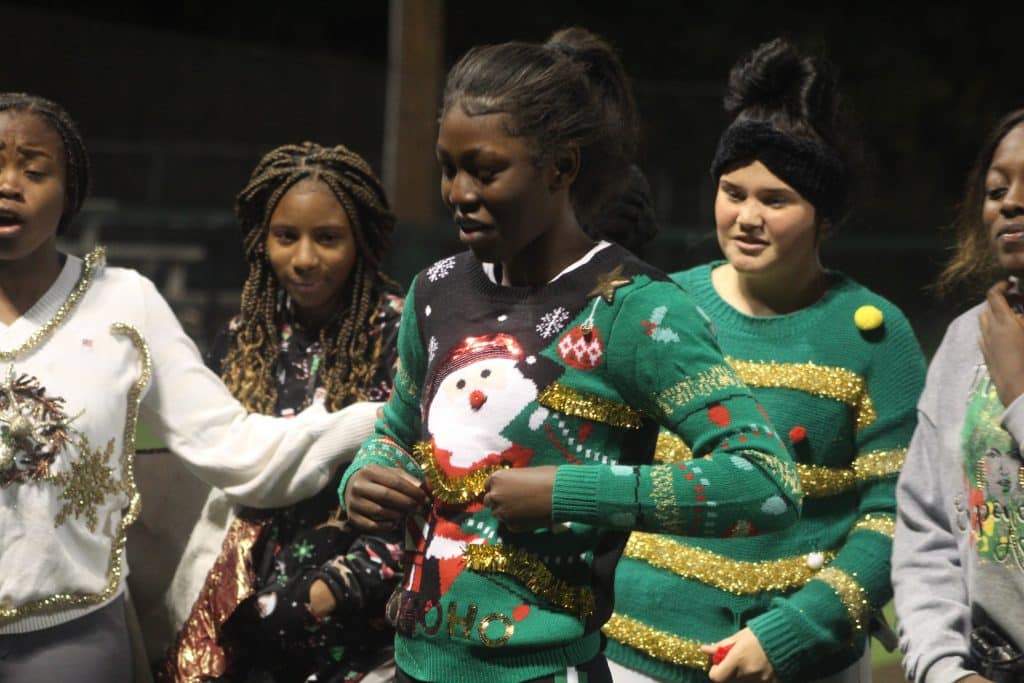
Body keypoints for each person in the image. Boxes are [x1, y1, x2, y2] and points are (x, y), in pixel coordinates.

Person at [338, 28, 802, 683]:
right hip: (414, 665)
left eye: (486, 169)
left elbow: (765, 483)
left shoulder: (636, 308)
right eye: (447, 166)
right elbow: (395, 432)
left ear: (561, 167)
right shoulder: (434, 290)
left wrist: (568, 492)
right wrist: (365, 475)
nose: (457, 192)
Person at [0, 94, 380, 682]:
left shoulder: (124, 304)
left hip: (68, 637)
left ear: (69, 188)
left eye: (33, 168)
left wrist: (369, 420)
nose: (9, 184)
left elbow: (231, 444)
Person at [604, 39, 926, 682]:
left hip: (805, 665)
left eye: (775, 200)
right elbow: (606, 468)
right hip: (633, 658)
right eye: (732, 191)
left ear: (824, 218)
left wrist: (792, 634)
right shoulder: (659, 305)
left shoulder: (876, 335)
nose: (747, 217)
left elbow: (898, 518)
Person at [161, 143, 405, 682]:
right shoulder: (242, 339)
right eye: (286, 236)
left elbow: (413, 495)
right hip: (242, 625)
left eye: (328, 238)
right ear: (260, 239)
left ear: (361, 238)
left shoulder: (403, 336)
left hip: (356, 643)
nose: (304, 258)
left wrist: (324, 595)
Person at [893, 108, 1024, 683]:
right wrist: (946, 669)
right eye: (997, 189)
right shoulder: (963, 341)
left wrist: (1018, 391)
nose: (1010, 204)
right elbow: (927, 528)